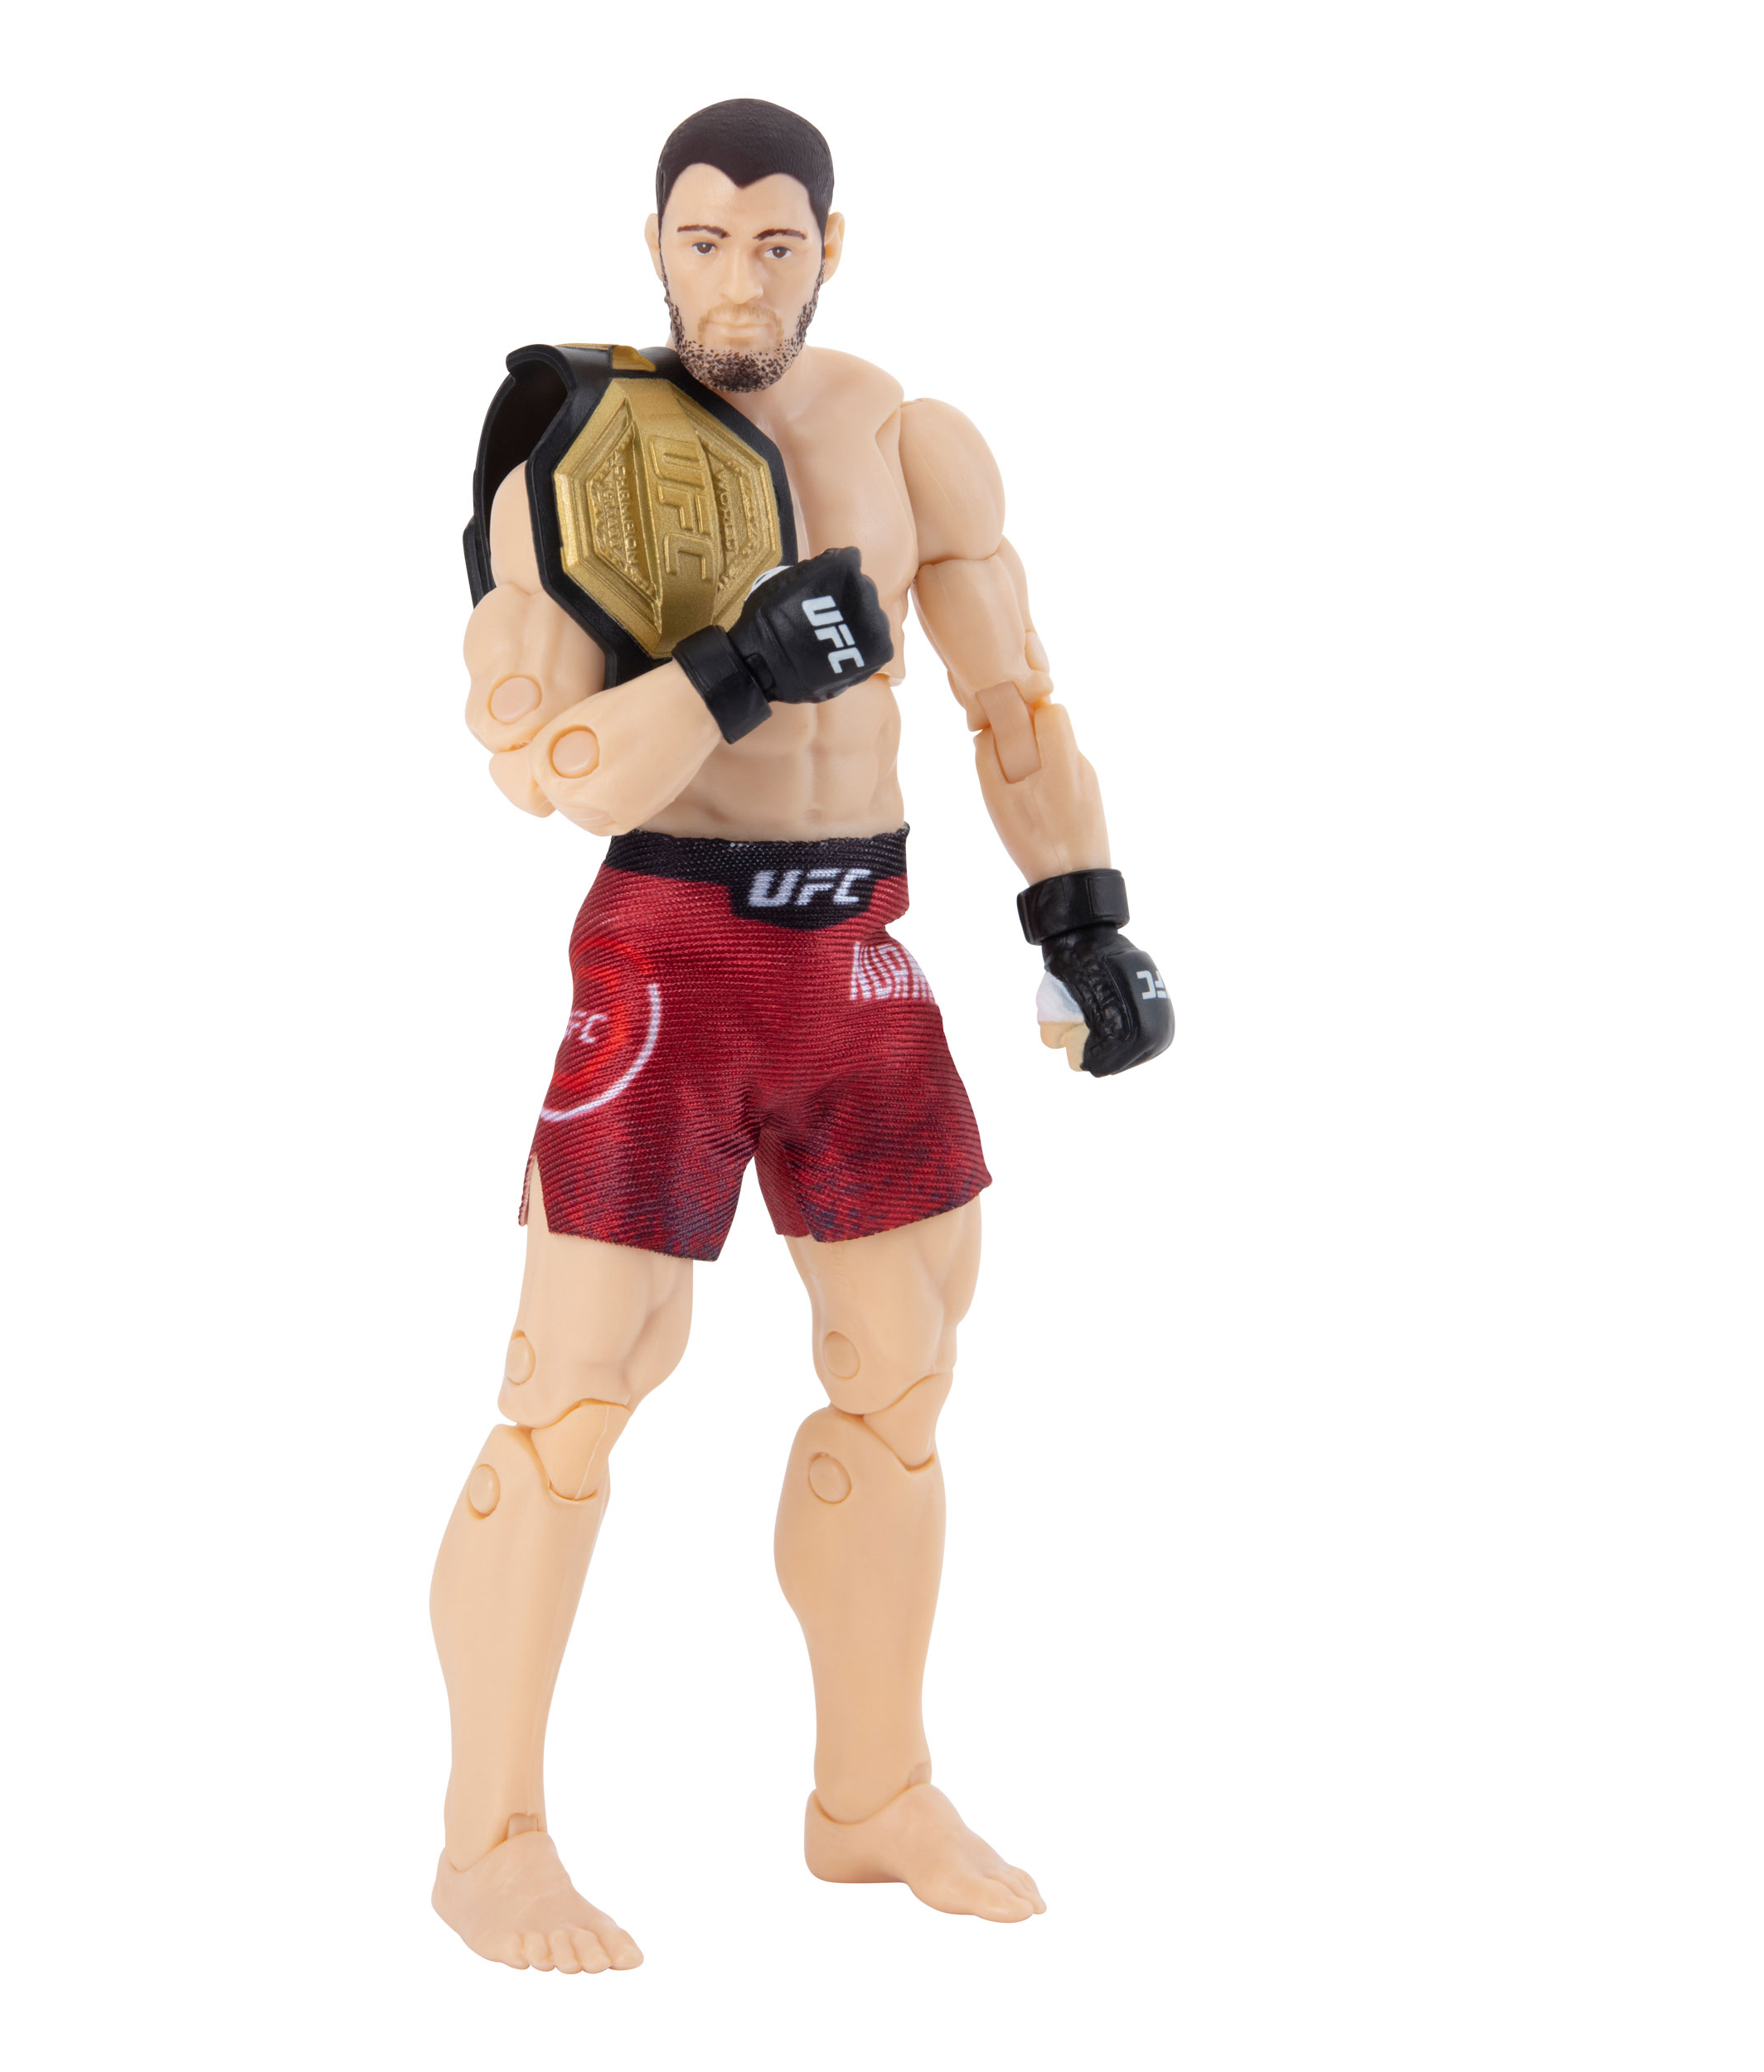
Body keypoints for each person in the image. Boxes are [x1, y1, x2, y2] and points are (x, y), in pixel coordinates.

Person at [432, 98, 1172, 1973]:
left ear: (831, 248)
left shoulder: (912, 442)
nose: (737, 279)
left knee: (900, 1366)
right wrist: (737, 663)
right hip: (669, 952)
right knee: (575, 1383)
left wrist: (1081, 911)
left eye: (775, 244)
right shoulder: (576, 456)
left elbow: (1015, 704)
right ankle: (489, 1840)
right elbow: (545, 769)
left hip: (855, 946)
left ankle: (871, 1796)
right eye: (704, 242)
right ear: (654, 245)